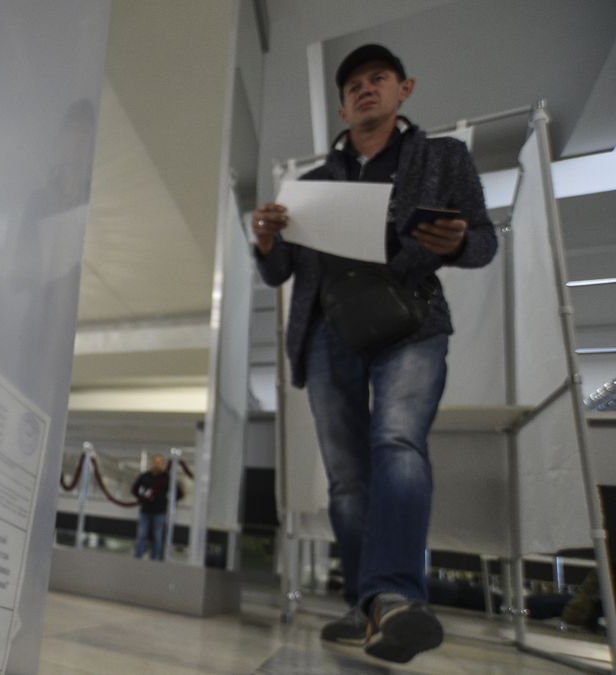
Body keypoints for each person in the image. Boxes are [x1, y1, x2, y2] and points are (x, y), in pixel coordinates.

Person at [251, 44, 497, 663]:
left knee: (398, 443)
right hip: (330, 332)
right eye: (354, 84)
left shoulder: (442, 157)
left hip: (411, 323)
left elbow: (483, 242)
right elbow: (280, 273)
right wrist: (266, 240)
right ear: (341, 103)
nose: (365, 89)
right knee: (347, 482)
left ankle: (393, 598)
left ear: (403, 89)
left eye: (377, 79)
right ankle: (367, 606)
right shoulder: (307, 187)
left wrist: (460, 238)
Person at [131, 454, 182, 561]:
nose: (157, 465)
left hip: (160, 511)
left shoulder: (167, 478)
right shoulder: (145, 476)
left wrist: (167, 502)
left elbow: (179, 493)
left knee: (158, 536)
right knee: (142, 534)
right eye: (155, 462)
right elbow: (134, 489)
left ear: (163, 464)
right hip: (146, 510)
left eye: (159, 463)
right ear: (152, 463)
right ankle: (138, 556)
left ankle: (155, 558)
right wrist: (142, 498)